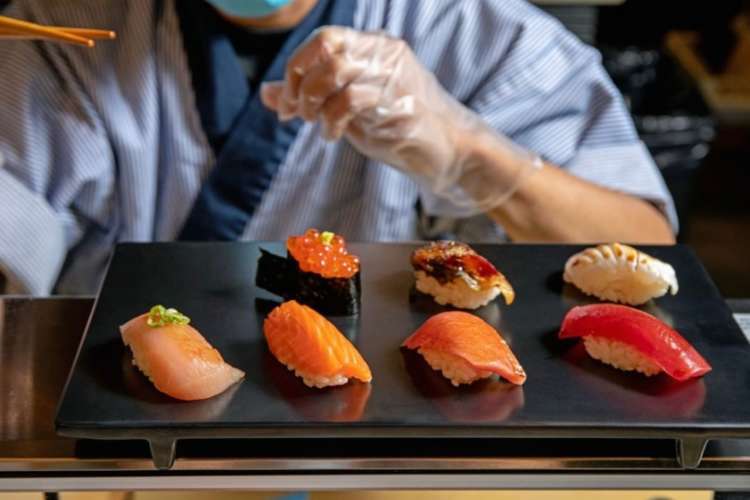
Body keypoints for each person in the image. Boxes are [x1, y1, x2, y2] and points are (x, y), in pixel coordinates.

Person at [0, 0, 676, 296]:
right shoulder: (64, 28)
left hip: (402, 438)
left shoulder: (476, 29)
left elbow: (645, 252)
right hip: (120, 437)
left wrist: (469, 151)